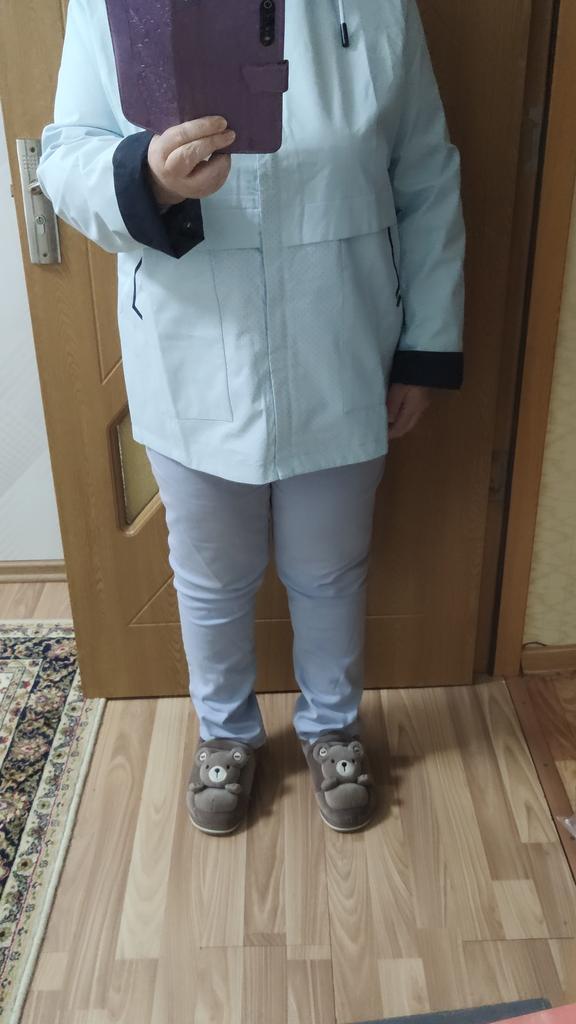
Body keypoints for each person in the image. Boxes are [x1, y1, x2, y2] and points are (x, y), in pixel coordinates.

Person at [37, 0, 465, 836]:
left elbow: (426, 173)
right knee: (210, 572)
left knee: (331, 566)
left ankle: (333, 726)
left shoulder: (378, 6)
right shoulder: (113, 4)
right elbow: (66, 154)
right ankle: (226, 734)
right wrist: (148, 177)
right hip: (193, 344)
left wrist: (426, 346)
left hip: (342, 338)